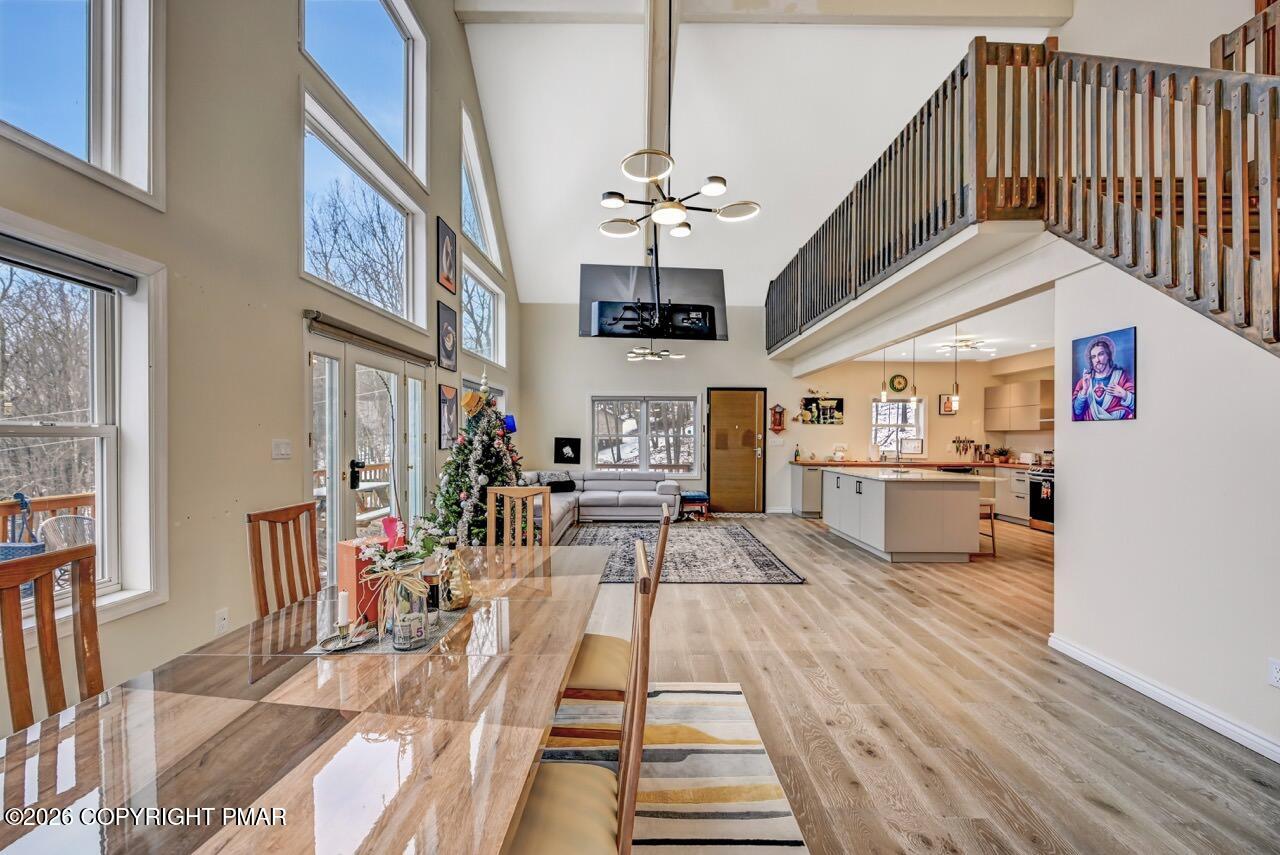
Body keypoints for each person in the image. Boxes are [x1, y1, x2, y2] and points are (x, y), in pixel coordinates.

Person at [1072, 335, 1135, 420]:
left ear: (1108, 355)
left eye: (1101, 354)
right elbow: (1076, 411)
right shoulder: (1084, 381)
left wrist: (1124, 394)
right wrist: (1084, 390)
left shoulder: (1121, 377)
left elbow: (1137, 405)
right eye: (1093, 357)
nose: (1097, 360)